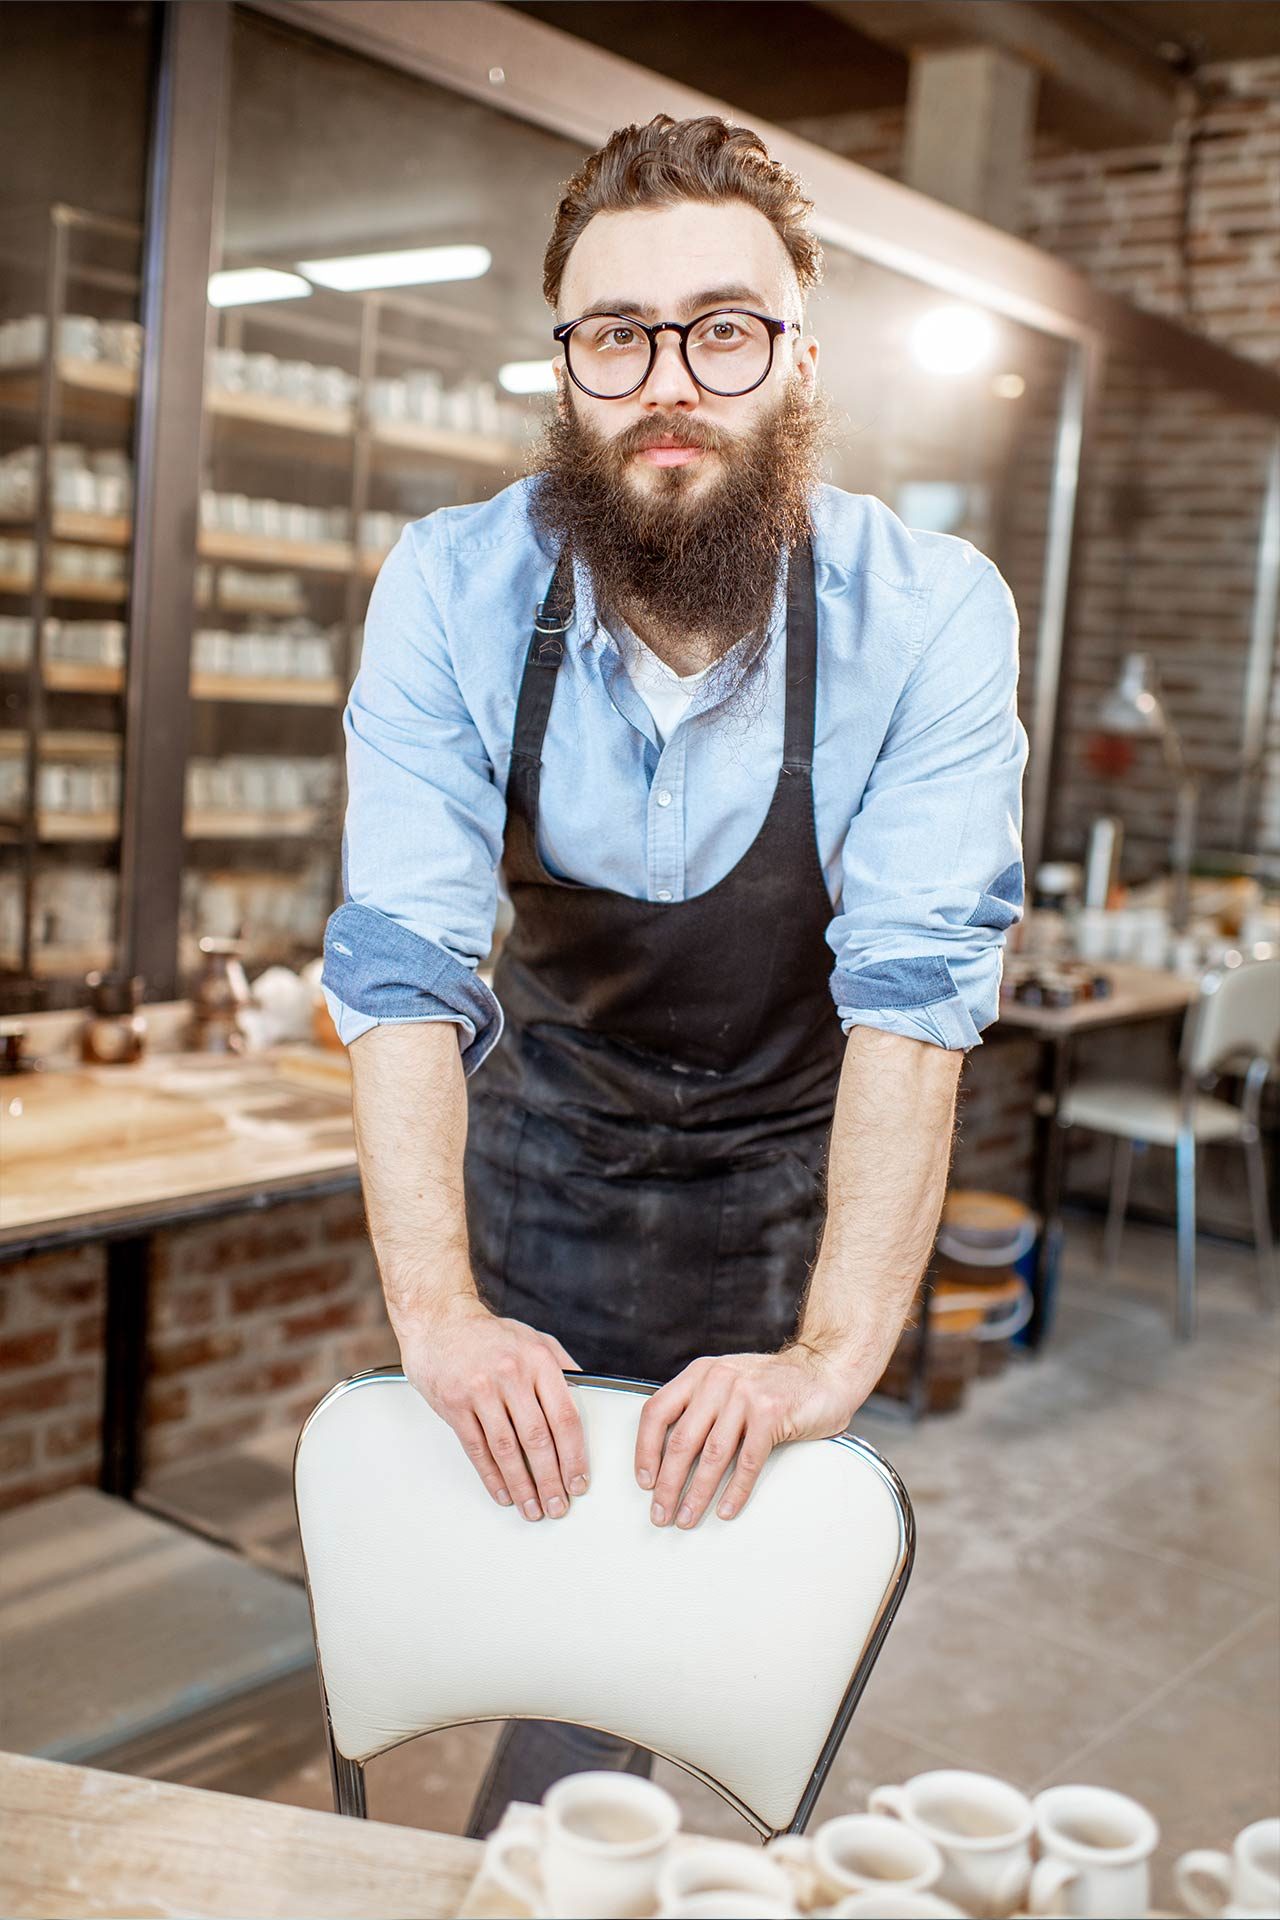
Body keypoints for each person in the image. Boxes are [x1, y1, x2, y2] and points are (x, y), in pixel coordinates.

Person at [321, 113, 1026, 1833]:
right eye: (615, 335)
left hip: (788, 1187)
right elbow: (404, 964)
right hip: (543, 1163)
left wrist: (833, 1353)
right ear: (563, 364)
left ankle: (600, 1847)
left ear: (797, 352)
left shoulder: (928, 612)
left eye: (723, 329)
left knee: (730, 1627)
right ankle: (562, 1843)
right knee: (533, 1610)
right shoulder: (454, 584)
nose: (670, 383)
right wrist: (439, 1313)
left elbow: (916, 1008)